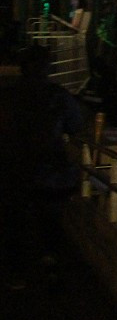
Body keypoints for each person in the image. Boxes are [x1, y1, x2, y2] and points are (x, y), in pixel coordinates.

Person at [0, 45, 87, 288]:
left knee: (14, 220)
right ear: (48, 68)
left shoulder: (7, 96)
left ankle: (16, 272)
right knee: (50, 218)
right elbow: (76, 126)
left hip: (12, 171)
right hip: (51, 173)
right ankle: (50, 262)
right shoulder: (59, 96)